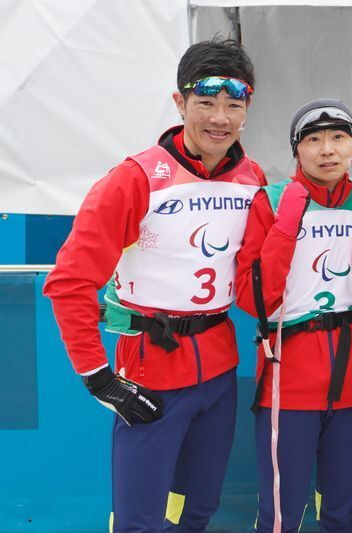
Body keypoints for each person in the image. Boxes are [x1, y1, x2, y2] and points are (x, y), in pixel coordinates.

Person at [43, 39, 264, 531]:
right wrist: (100, 378)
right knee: (142, 520)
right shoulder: (135, 178)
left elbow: (254, 276)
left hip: (219, 370)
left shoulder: (251, 178)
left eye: (234, 104)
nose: (220, 117)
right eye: (205, 102)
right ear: (180, 103)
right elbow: (69, 282)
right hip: (152, 372)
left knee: (196, 510)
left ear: (248, 108)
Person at [235, 99, 352, 533]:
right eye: (314, 139)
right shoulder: (270, 201)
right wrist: (288, 222)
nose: (327, 149)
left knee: (342, 510)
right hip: (289, 376)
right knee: (281, 513)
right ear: (297, 150)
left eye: (338, 137)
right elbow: (255, 301)